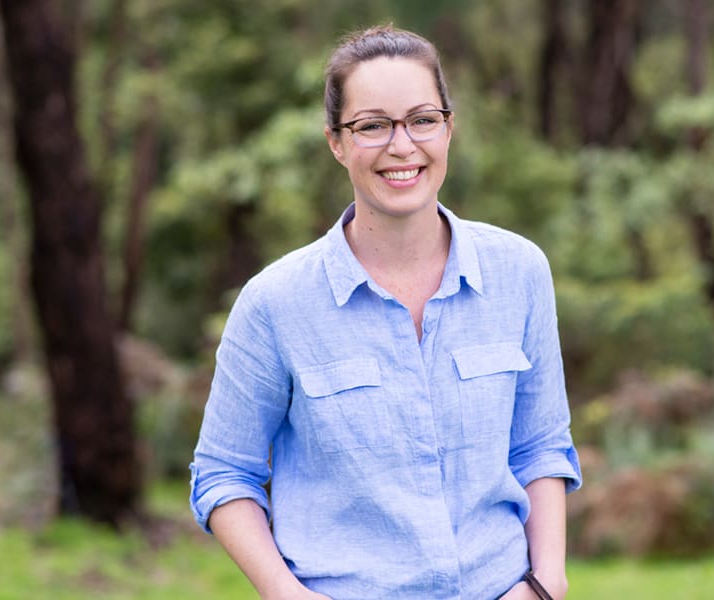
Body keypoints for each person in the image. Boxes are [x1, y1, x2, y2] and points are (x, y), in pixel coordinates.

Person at [190, 24, 581, 600]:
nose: (402, 146)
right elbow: (223, 473)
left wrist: (546, 582)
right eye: (372, 126)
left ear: (449, 127)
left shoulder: (520, 271)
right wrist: (286, 593)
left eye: (422, 119)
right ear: (336, 142)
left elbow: (541, 446)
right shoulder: (275, 303)